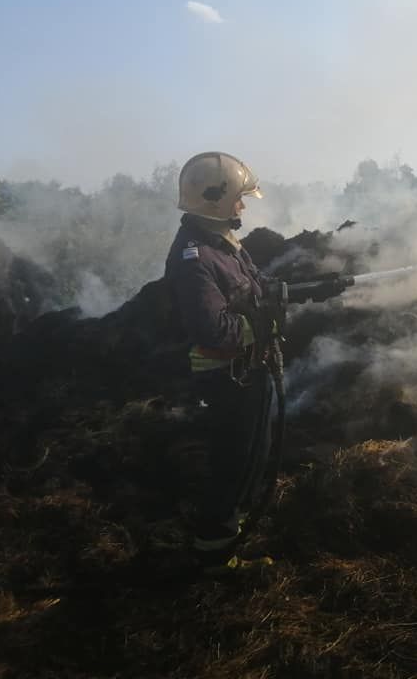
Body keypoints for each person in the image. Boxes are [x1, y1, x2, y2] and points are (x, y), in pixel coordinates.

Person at [164, 151, 281, 566]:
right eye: (239, 197)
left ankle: (237, 526)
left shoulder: (223, 242)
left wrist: (292, 291)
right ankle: (215, 554)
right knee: (233, 460)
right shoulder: (193, 258)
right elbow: (212, 329)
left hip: (249, 370)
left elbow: (254, 282)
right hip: (225, 376)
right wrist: (261, 326)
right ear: (215, 200)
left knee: (255, 449)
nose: (243, 205)